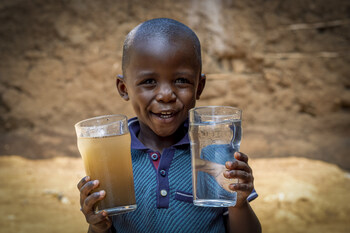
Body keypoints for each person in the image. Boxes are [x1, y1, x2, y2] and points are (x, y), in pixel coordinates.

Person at [77, 18, 261, 233]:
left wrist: (239, 204)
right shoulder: (110, 157)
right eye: (149, 82)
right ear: (124, 88)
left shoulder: (213, 152)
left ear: (199, 87)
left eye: (181, 80)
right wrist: (97, 225)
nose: (166, 95)